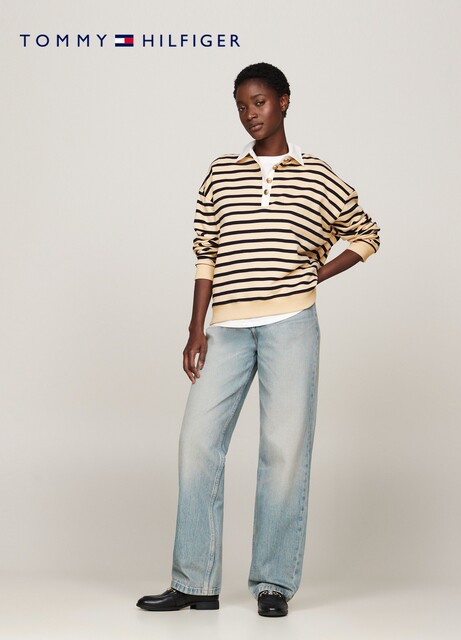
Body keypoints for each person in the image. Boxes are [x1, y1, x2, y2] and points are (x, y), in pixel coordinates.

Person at [136, 62, 380, 617]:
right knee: (198, 444)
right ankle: (195, 582)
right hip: (226, 326)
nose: (251, 114)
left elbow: (367, 233)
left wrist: (316, 274)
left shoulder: (316, 174)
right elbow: (206, 251)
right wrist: (195, 328)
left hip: (291, 323)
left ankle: (273, 583)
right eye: (242, 105)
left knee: (283, 451)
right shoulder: (222, 171)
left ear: (284, 101)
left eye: (260, 102)